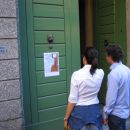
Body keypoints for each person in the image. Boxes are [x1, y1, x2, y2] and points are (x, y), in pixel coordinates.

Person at [64, 47, 104, 130]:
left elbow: (72, 100)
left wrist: (66, 118)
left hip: (79, 114)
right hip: (95, 112)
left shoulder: (76, 74)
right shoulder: (101, 73)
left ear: (84, 59)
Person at [103, 44, 130, 130]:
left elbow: (111, 98)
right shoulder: (127, 70)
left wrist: (105, 113)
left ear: (110, 56)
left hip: (115, 115)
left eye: (106, 56)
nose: (106, 58)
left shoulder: (113, 74)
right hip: (125, 113)